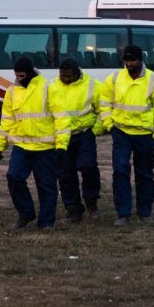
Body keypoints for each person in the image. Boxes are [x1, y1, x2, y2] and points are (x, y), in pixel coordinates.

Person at [99, 45, 154, 226]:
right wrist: (110, 126)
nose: (129, 64)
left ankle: (144, 213)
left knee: (144, 175)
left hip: (145, 136)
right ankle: (123, 213)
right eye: (126, 60)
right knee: (120, 171)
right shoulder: (114, 79)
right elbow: (105, 103)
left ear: (141, 60)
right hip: (121, 133)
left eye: (132, 60)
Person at [0, 56, 67, 231]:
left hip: (45, 148)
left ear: (30, 72)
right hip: (22, 146)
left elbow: (62, 118)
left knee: (46, 185)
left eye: (22, 75)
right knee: (14, 177)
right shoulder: (11, 92)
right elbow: (7, 120)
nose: (19, 78)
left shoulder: (48, 88)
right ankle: (26, 213)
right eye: (16, 75)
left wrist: (62, 144)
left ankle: (46, 222)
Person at [51, 58, 103, 222]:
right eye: (62, 76)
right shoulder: (52, 87)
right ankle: (73, 208)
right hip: (62, 136)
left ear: (77, 73)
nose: (65, 79)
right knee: (65, 173)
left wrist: (95, 130)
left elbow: (104, 109)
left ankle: (91, 202)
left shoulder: (93, 86)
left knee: (88, 166)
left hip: (84, 134)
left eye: (69, 76)